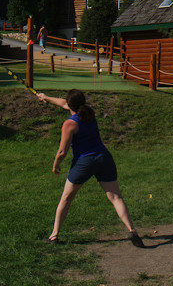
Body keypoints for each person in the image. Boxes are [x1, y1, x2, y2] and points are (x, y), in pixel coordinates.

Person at [37, 89, 144, 246]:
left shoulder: (69, 124)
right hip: (104, 158)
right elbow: (62, 103)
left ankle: (54, 235)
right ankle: (132, 231)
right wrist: (45, 97)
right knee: (116, 197)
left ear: (70, 104)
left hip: (84, 163)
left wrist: (56, 165)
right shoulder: (89, 113)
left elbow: (62, 151)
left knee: (66, 198)